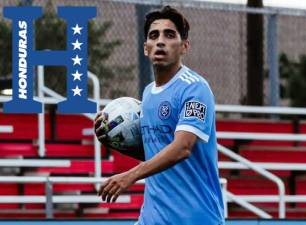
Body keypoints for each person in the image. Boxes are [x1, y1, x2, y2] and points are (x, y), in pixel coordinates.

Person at [94, 5, 224, 225]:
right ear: (146, 48)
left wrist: (130, 175)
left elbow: (183, 148)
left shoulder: (195, 88)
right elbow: (157, 152)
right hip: (153, 218)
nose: (160, 41)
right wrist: (115, 138)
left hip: (195, 218)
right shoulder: (148, 93)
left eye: (169, 35)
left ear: (184, 46)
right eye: (154, 36)